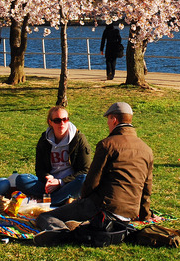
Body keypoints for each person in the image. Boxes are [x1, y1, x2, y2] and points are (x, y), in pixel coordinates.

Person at [34, 102, 154, 246]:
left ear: (114, 120)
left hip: (104, 207)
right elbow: (147, 189)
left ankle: (64, 233)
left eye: (108, 119)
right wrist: (145, 215)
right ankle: (82, 225)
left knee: (45, 217)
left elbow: (92, 181)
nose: (108, 124)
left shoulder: (107, 145)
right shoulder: (146, 149)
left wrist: (81, 202)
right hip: (129, 213)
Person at [16, 106, 91, 206]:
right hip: (49, 185)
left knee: (84, 179)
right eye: (57, 120)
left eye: (65, 119)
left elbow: (86, 170)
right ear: (50, 122)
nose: (62, 123)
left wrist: (60, 182)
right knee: (22, 179)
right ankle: (60, 199)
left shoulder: (78, 139)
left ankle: (48, 201)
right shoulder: (44, 140)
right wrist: (48, 177)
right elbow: (40, 169)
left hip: (69, 183)